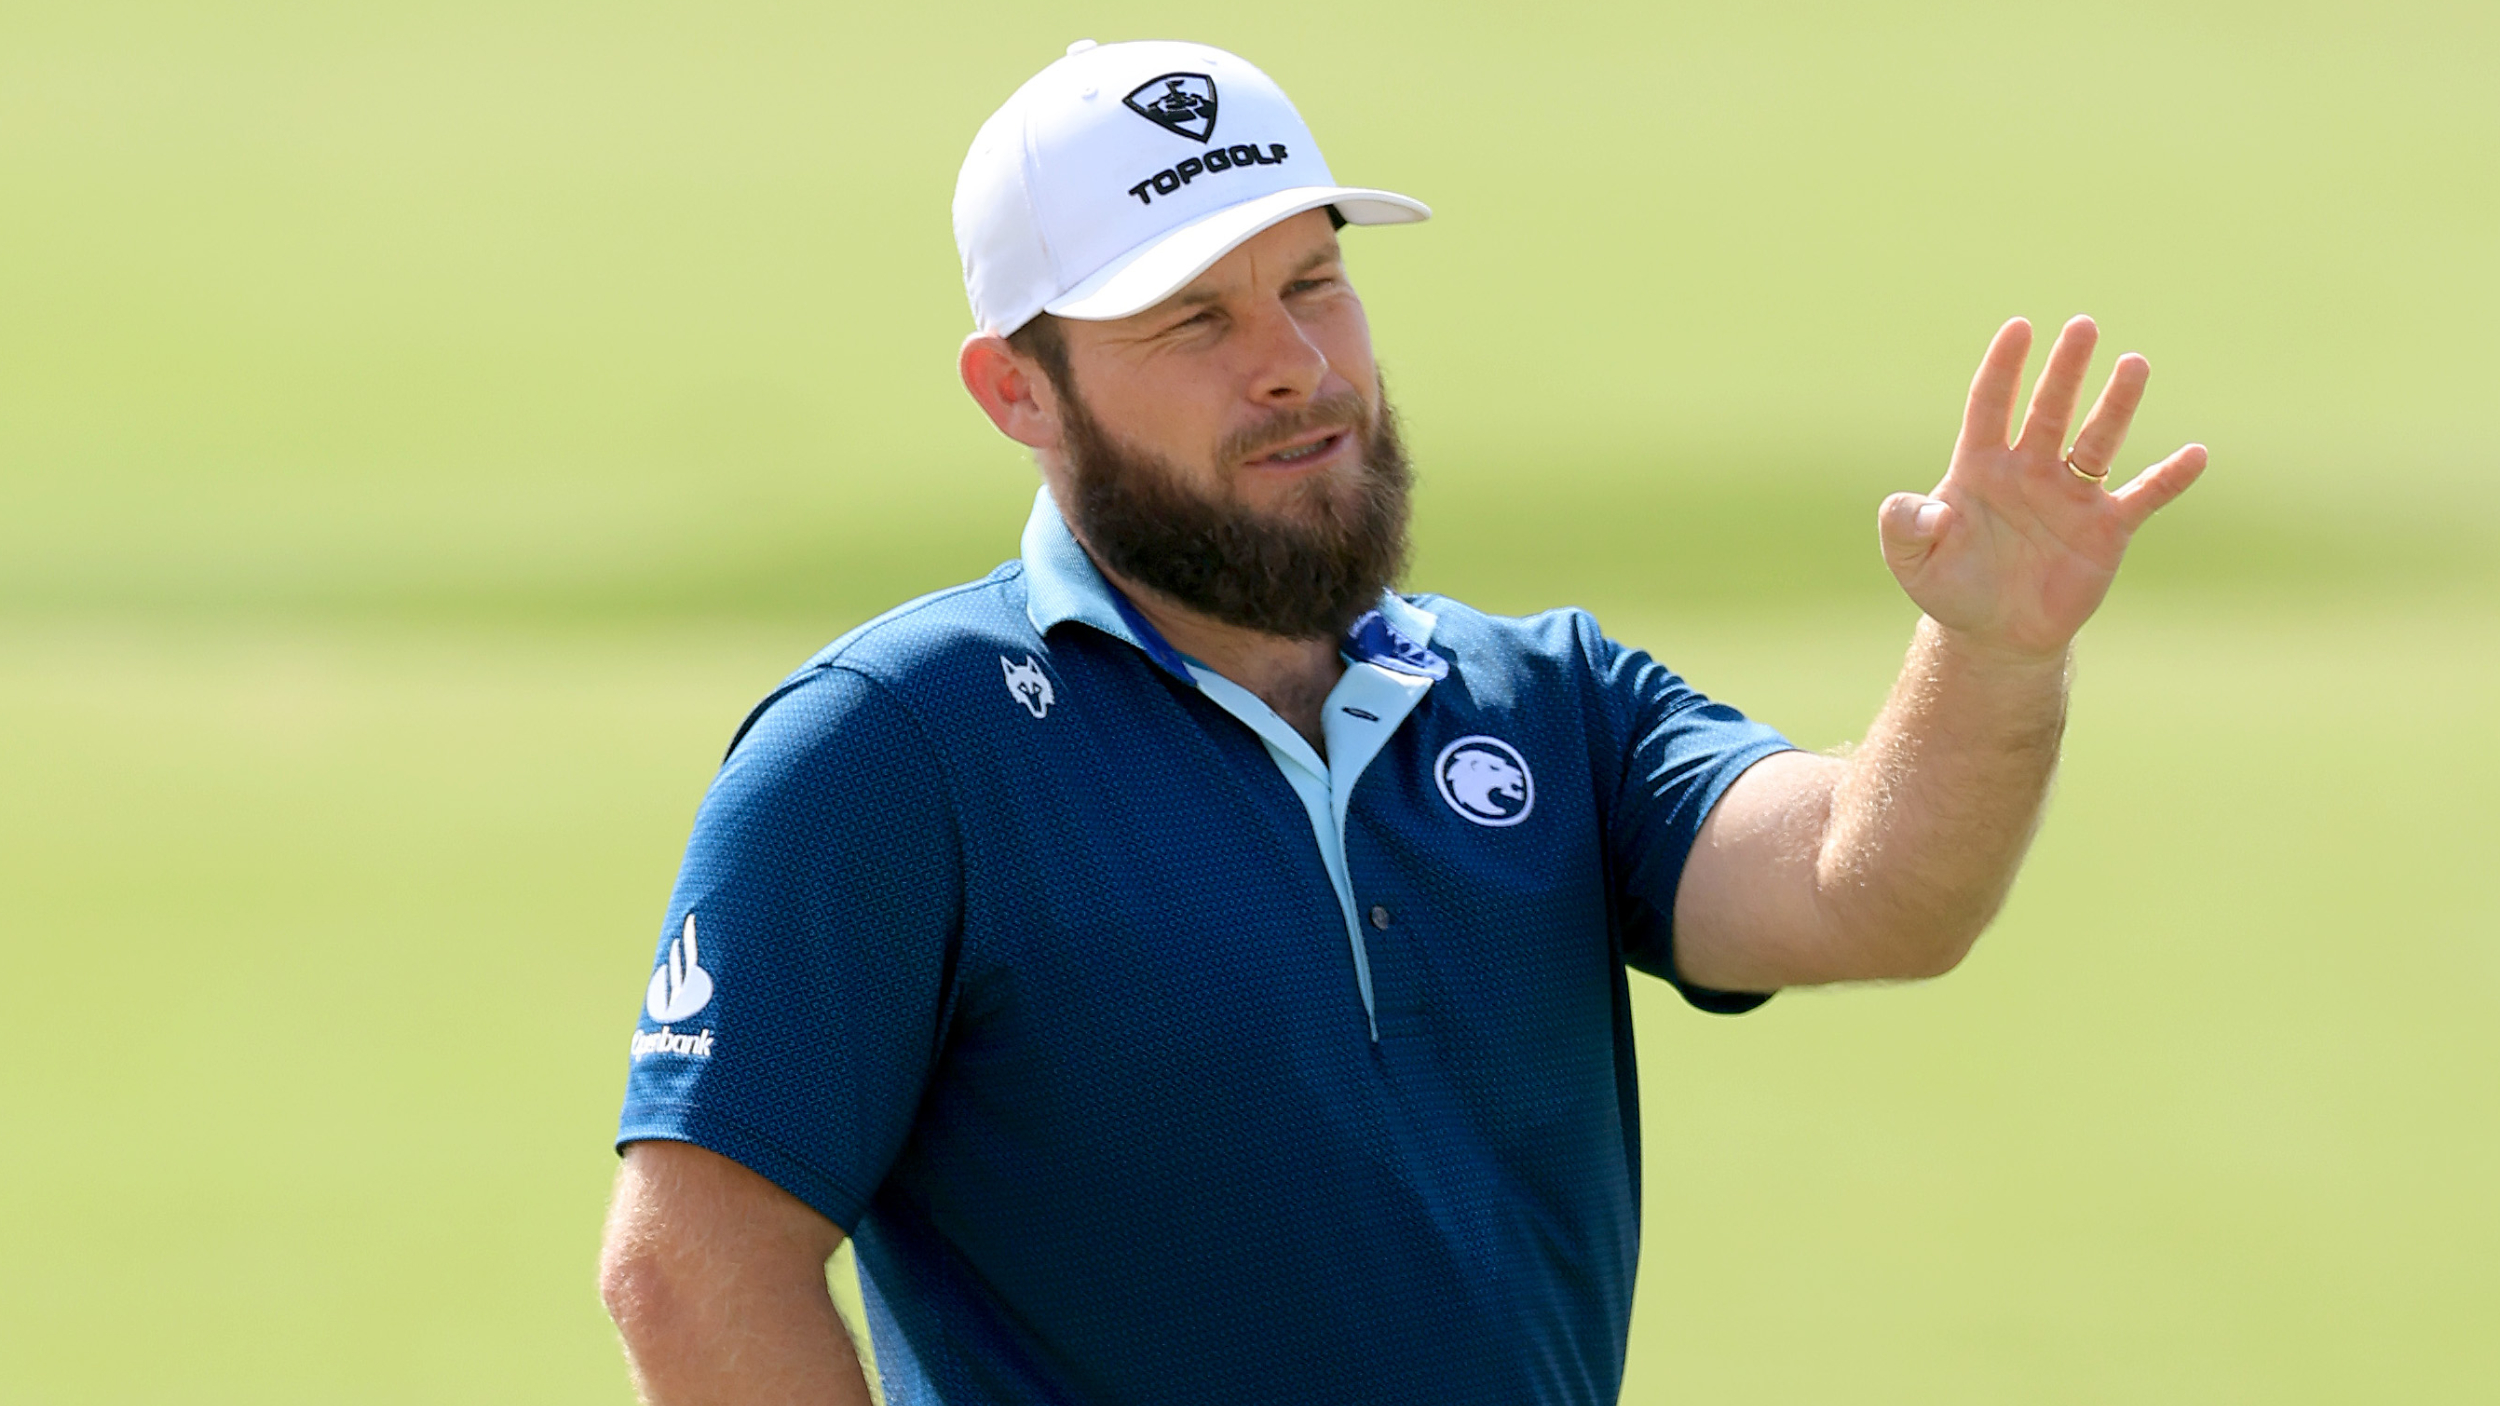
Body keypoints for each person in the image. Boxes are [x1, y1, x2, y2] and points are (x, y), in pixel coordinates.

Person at [597, 38, 2205, 1406]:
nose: (1295, 365)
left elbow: (1874, 887)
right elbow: (688, 1266)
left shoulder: (1548, 700)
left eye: (1314, 282)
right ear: (1019, 390)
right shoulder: (891, 752)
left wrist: (1990, 654)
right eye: (1195, 320)